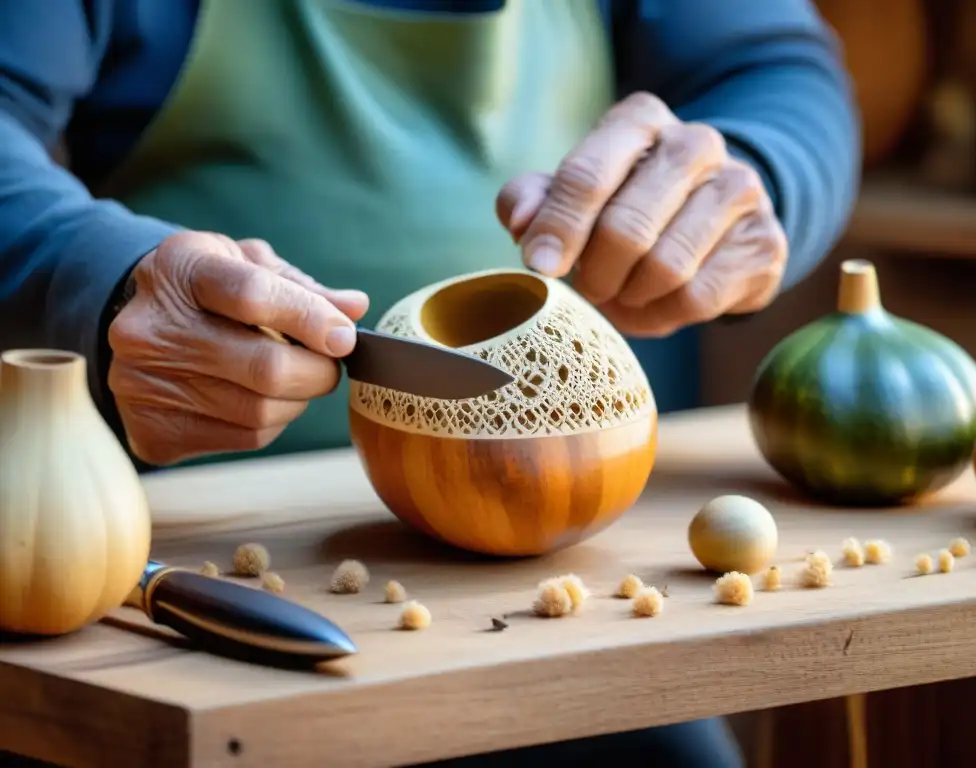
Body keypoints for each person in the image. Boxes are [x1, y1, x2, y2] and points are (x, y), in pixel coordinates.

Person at [0, 0, 859, 765]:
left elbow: (776, 67)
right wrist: (96, 277)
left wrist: (758, 174)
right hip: (199, 556)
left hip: (575, 604)